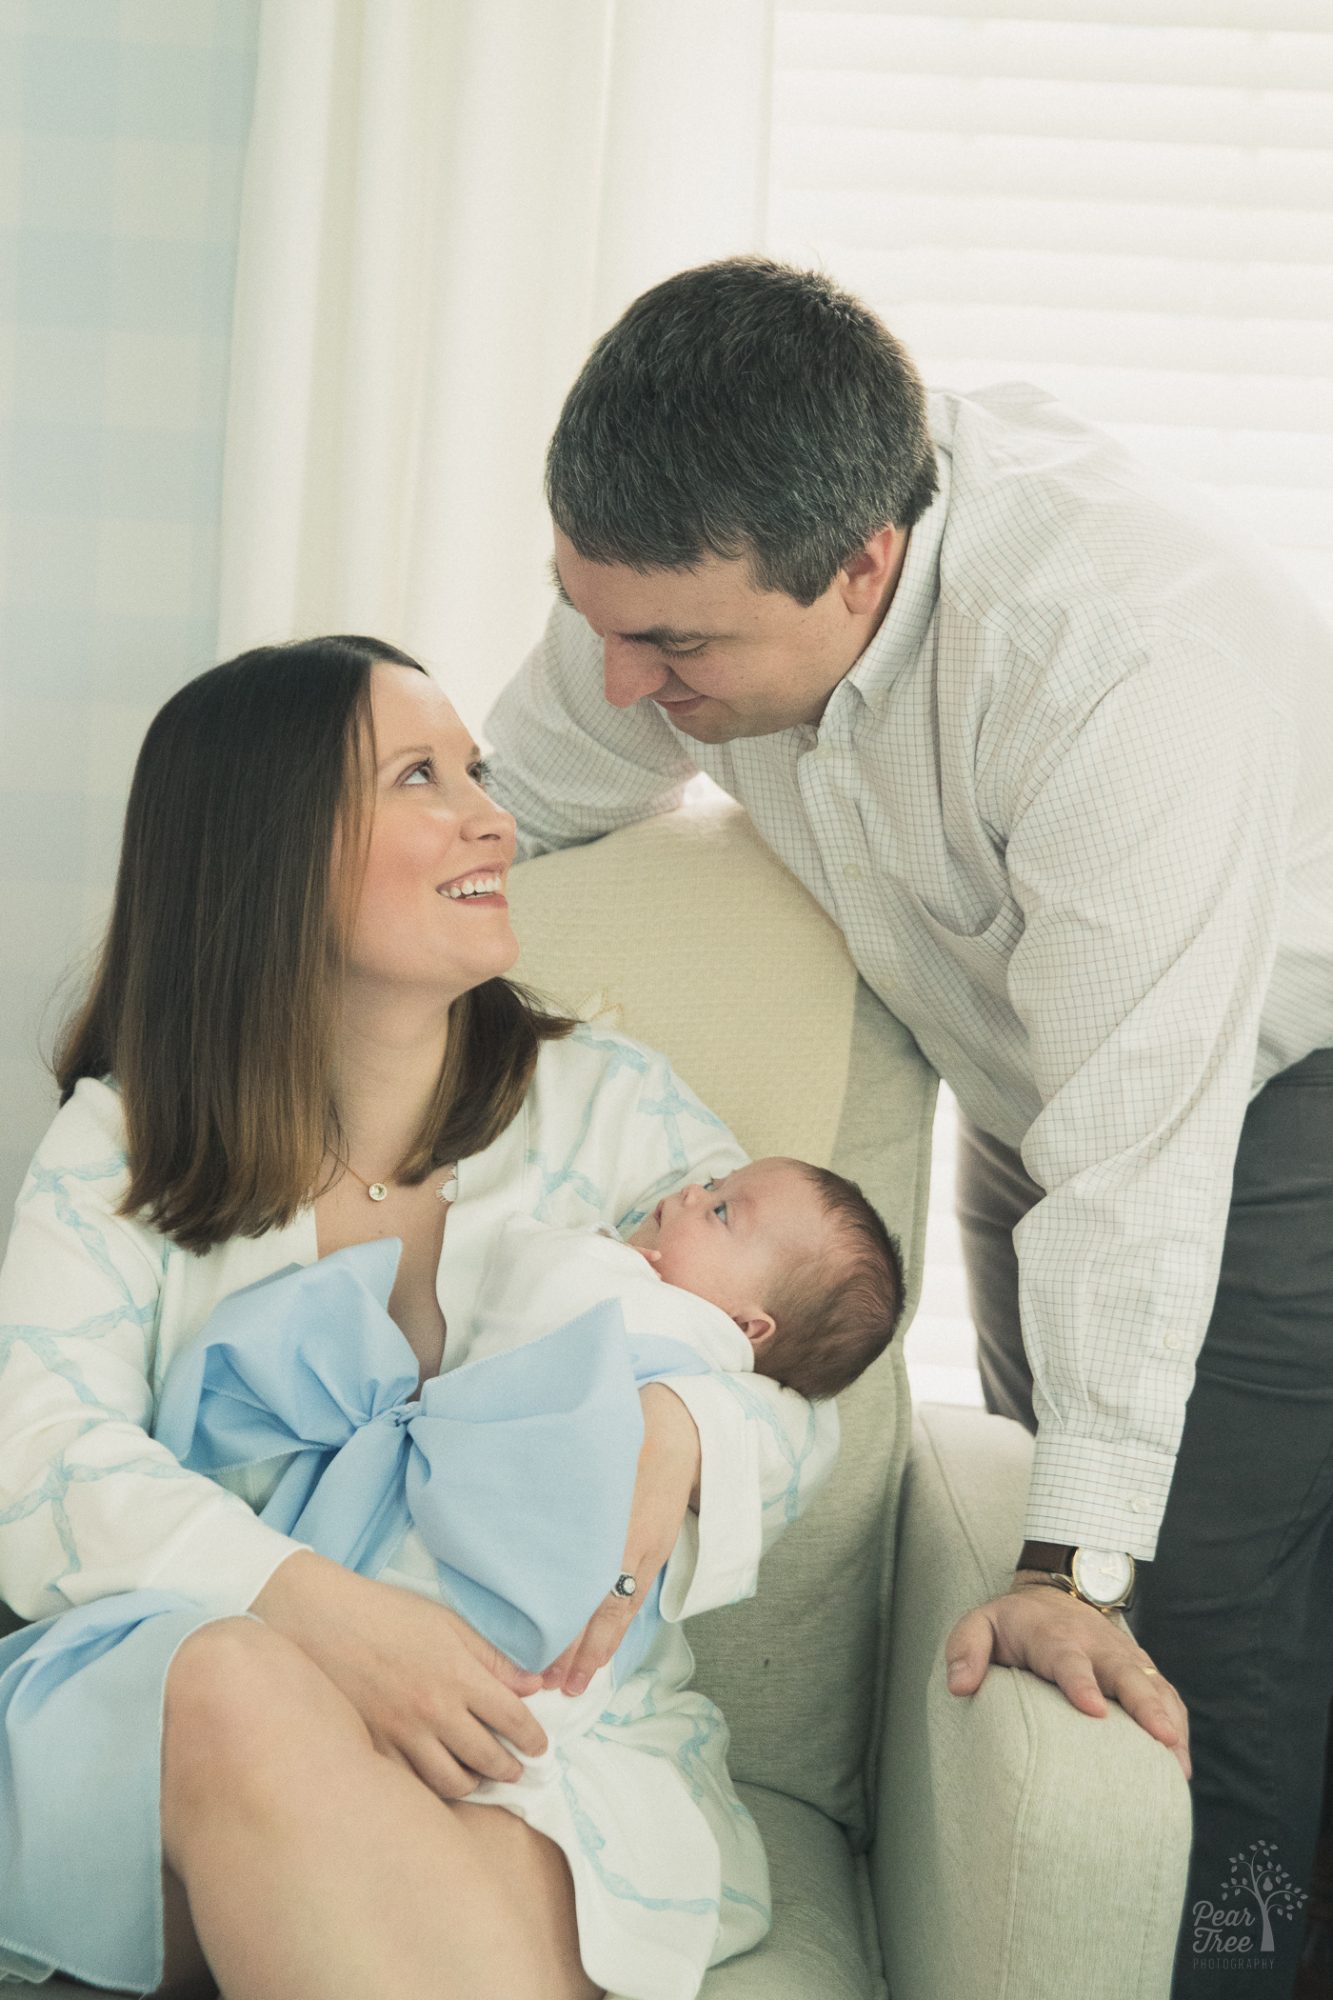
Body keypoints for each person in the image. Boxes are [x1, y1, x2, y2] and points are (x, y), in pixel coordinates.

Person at [482, 256, 1333, 1998]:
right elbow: (514, 808)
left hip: (1260, 1102)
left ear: (861, 565)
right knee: (1047, 1494)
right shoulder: (679, 585)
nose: (622, 679)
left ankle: (1237, 1959)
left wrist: (1077, 1573)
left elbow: (1136, 1152)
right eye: (594, 618)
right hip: (1035, 1080)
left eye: (672, 646)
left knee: (1187, 1632)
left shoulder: (1116, 671)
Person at [0, 635, 839, 2000]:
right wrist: (316, 1617)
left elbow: (800, 1383)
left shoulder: (619, 1114)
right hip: (194, 1719)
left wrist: (689, 1422)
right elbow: (32, 1452)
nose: (492, 816)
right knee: (232, 1688)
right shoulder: (127, 1143)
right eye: (420, 776)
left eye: (480, 771)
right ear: (272, 848)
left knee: (450, 1861)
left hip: (536, 1741)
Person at [468, 1156, 905, 1403]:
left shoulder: (691, 1362)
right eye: (715, 1184)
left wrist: (597, 1252)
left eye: (720, 1211)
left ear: (743, 1327)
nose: (693, 1191)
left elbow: (530, 1267)